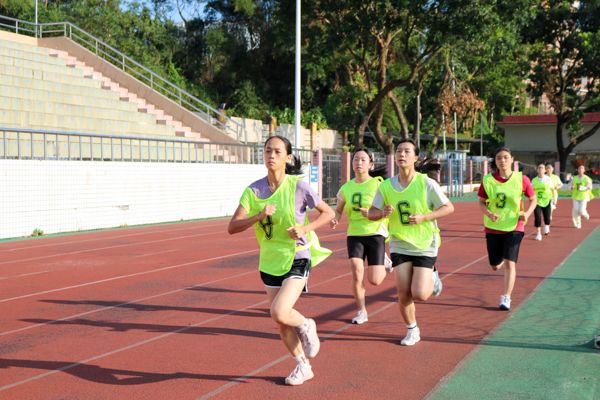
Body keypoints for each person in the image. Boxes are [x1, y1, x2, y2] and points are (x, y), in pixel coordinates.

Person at [227, 135, 335, 386]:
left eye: (277, 152)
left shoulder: (299, 187)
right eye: (267, 151)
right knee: (281, 321)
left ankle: (307, 325)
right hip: (270, 260)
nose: (271, 156)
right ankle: (303, 366)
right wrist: (258, 216)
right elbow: (232, 227)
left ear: (288, 157)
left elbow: (328, 213)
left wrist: (305, 228)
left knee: (279, 310)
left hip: (297, 255)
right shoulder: (253, 191)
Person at [368, 139, 454, 346]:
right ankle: (412, 329)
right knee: (403, 291)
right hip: (399, 242)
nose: (402, 154)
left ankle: (433, 276)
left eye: (407, 151)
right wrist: (382, 213)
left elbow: (448, 207)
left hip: (425, 243)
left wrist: (425, 217)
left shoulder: (427, 183)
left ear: (416, 157)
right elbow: (371, 213)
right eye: (399, 151)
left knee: (420, 294)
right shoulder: (386, 186)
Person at [330, 148, 391, 325]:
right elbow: (338, 210)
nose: (359, 163)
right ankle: (361, 311)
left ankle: (385, 261)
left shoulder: (379, 185)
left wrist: (374, 214)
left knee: (375, 280)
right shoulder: (346, 188)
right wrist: (335, 219)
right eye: (356, 159)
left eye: (363, 160)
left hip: (375, 232)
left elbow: (388, 208)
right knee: (357, 272)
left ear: (371, 164)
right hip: (355, 234)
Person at [478, 147, 537, 311]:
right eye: (499, 158)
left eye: (505, 157)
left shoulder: (522, 179)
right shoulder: (488, 180)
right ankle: (500, 259)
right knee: (495, 265)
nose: (502, 161)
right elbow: (481, 202)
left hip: (515, 225)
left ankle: (506, 297)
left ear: (512, 159)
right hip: (493, 227)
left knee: (510, 263)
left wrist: (527, 213)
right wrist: (489, 213)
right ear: (495, 161)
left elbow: (533, 199)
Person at [532, 163, 553, 240]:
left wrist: (553, 200)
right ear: (537, 170)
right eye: (539, 168)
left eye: (542, 168)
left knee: (547, 218)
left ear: (545, 170)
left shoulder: (548, 179)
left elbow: (552, 189)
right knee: (537, 217)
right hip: (537, 201)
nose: (540, 169)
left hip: (546, 200)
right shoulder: (534, 180)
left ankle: (547, 225)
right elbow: (531, 190)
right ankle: (538, 233)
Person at [571, 164, 594, 229]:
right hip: (575, 196)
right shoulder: (574, 178)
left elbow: (589, 187)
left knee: (581, 211)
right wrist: (572, 187)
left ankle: (586, 215)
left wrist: (584, 188)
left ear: (584, 170)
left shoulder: (587, 178)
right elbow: (571, 185)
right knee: (576, 210)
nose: (580, 170)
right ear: (578, 170)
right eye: (579, 169)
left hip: (583, 196)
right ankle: (578, 223)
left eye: (582, 169)